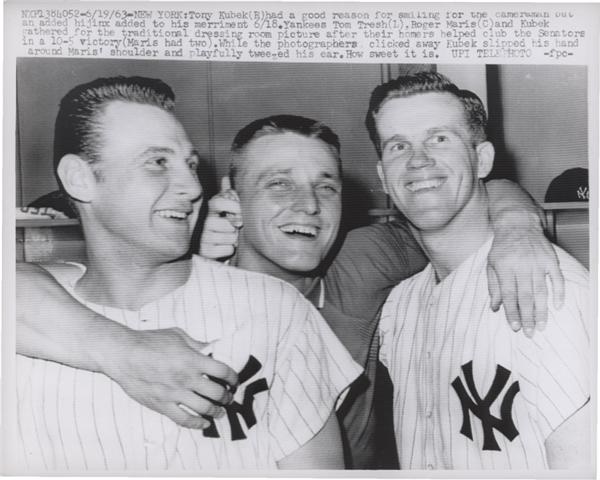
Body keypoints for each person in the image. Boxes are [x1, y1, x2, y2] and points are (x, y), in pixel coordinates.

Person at [16, 95, 564, 469]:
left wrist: (518, 226)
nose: (307, 205)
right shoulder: (178, 286)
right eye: (277, 185)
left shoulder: (366, 259)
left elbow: (452, 196)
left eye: (326, 187)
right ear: (231, 194)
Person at [12, 77, 362, 472]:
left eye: (190, 164)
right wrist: (121, 348)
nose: (193, 186)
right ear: (81, 178)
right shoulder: (33, 324)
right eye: (158, 163)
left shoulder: (277, 310)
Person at [372, 72, 590, 469]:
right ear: (384, 178)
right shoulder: (398, 307)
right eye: (399, 145)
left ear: (482, 159)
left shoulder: (546, 287)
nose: (417, 160)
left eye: (439, 138)